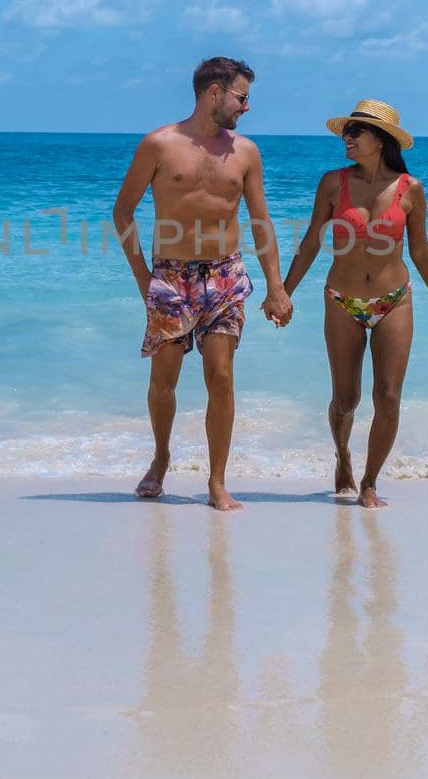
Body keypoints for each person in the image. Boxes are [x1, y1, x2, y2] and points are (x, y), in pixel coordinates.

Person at [113, 57, 293, 511]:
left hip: (225, 275)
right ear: (215, 93)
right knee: (164, 382)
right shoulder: (159, 145)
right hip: (171, 277)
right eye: (242, 97)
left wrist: (276, 286)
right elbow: (123, 212)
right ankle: (160, 457)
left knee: (221, 377)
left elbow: (260, 221)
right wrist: (144, 280)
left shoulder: (246, 152)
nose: (247, 107)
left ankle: (216, 482)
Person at [282, 100, 428, 508]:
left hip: (395, 299)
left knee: (388, 396)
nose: (348, 139)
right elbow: (310, 244)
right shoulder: (332, 183)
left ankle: (370, 481)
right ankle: (342, 455)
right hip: (342, 300)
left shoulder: (411, 189)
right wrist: (283, 292)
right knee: (345, 399)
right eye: (347, 131)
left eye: (357, 132)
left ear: (383, 140)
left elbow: (422, 252)